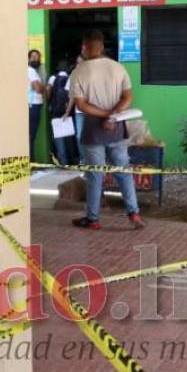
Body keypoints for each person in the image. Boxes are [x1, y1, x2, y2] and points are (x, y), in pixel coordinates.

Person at [68, 30, 144, 230]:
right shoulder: (118, 68)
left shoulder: (79, 71)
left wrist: (103, 116)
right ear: (102, 46)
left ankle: (93, 219)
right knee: (123, 172)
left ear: (84, 47)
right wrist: (113, 115)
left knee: (95, 175)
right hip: (116, 128)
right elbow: (128, 97)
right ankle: (134, 214)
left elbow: (82, 105)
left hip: (92, 131)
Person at [46, 59, 76, 166]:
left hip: (55, 111)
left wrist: (50, 102)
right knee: (70, 136)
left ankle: (63, 162)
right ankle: (73, 160)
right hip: (69, 111)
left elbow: (48, 91)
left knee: (58, 136)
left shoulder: (53, 78)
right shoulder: (71, 78)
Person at [27, 49, 45, 154]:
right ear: (28, 59)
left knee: (30, 135)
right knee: (31, 135)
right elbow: (39, 88)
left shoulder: (31, 71)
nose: (35, 59)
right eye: (33, 56)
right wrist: (43, 87)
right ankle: (30, 162)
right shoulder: (31, 71)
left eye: (37, 57)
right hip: (33, 105)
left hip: (31, 105)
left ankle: (31, 161)